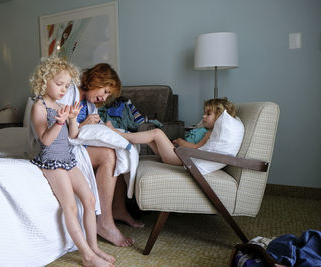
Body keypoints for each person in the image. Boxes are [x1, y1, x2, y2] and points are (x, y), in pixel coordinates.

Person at [29, 56, 115, 267]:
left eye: (66, 85)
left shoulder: (62, 105)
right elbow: (46, 140)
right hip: (51, 161)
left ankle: (93, 247)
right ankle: (87, 256)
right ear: (44, 80)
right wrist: (59, 121)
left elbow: (74, 136)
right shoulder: (38, 107)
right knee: (70, 207)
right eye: (59, 84)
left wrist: (73, 119)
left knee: (90, 200)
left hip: (67, 158)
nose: (63, 89)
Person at [58, 63, 143, 247]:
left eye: (107, 95)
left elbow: (91, 131)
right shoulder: (68, 91)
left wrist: (100, 127)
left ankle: (118, 209)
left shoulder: (90, 104)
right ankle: (104, 222)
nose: (104, 97)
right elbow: (56, 128)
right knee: (108, 156)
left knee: (118, 151)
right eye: (105, 91)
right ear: (97, 80)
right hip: (64, 147)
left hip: (80, 145)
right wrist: (83, 125)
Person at [106, 98, 237, 166]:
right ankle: (124, 136)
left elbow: (197, 148)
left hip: (180, 159)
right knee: (151, 137)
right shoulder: (203, 129)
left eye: (208, 114)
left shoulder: (209, 134)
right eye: (204, 113)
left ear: (219, 117)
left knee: (156, 133)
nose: (203, 116)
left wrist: (181, 142)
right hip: (177, 153)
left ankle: (121, 135)